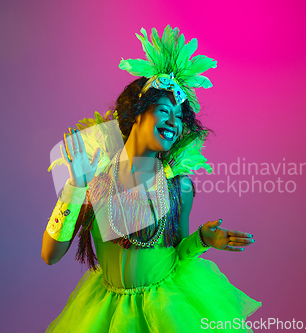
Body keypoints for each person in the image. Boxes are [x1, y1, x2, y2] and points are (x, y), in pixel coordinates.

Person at [42, 25, 262, 332]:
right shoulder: (95, 176)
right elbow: (50, 255)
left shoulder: (177, 186)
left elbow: (177, 254)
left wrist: (201, 240)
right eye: (163, 110)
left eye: (179, 116)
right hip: (107, 312)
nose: (173, 122)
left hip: (167, 309)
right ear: (137, 112)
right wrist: (76, 186)